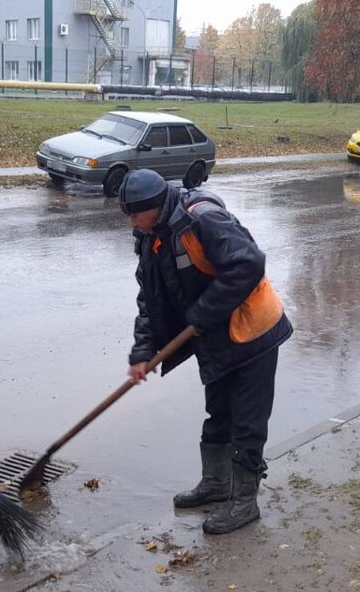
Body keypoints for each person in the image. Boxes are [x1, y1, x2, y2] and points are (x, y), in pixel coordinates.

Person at [120, 169, 292, 535]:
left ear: (154, 207)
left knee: (247, 420)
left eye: (135, 214)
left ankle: (244, 502)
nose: (131, 222)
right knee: (218, 411)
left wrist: (201, 315)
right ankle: (216, 483)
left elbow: (248, 263)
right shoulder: (152, 237)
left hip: (252, 330)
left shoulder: (203, 219)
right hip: (214, 336)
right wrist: (142, 352)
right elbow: (149, 301)